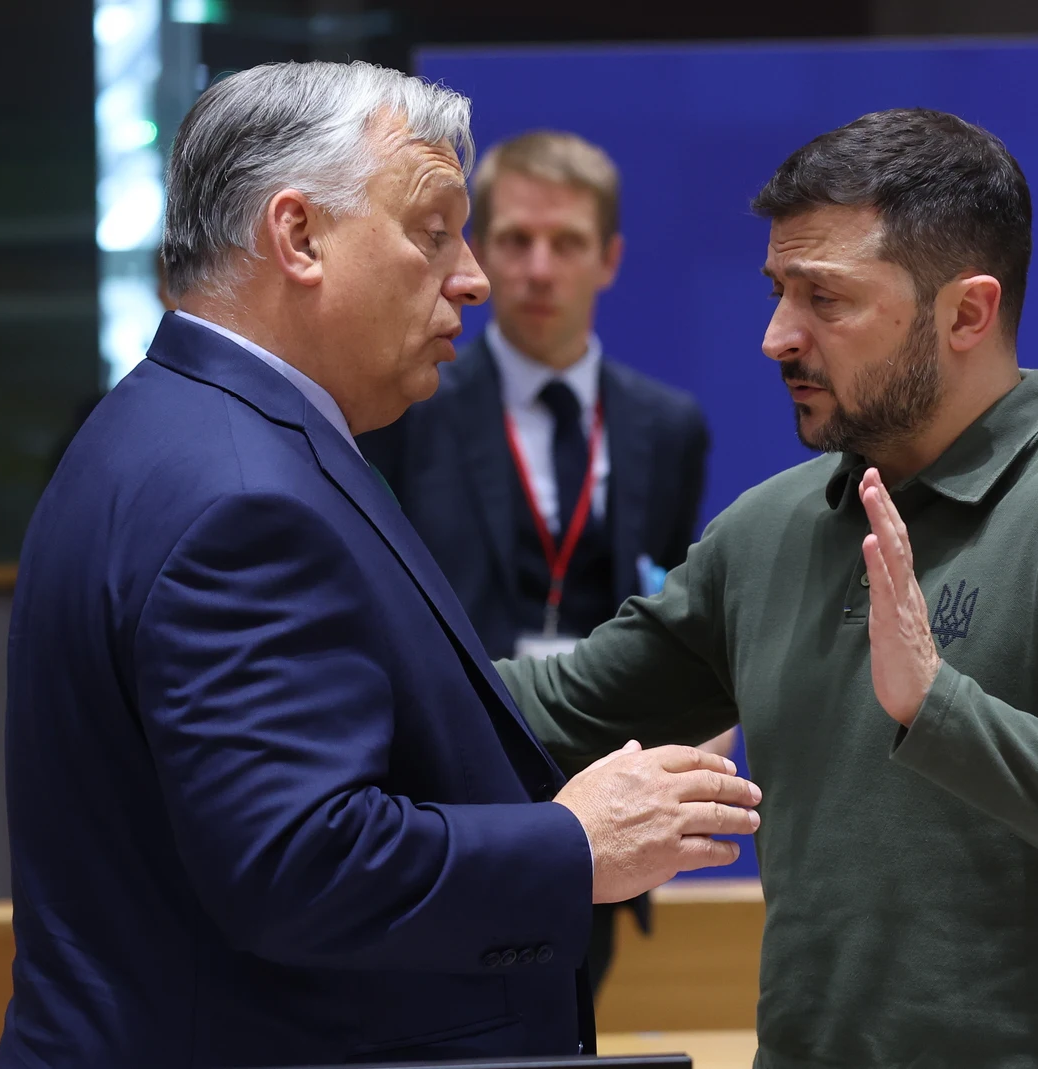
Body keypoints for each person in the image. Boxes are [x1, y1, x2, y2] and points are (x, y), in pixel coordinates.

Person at [0, 61, 758, 1069]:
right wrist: (575, 843)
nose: (472, 278)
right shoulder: (244, 496)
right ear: (299, 236)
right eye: (433, 230)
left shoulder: (176, 425)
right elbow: (298, 862)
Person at [499, 108, 1038, 1068]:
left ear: (967, 313)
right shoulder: (767, 531)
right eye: (779, 291)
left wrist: (940, 707)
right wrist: (350, 651)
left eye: (825, 298)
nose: (777, 336)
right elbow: (546, 713)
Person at [359, 130, 719, 1009]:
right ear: (480, 251)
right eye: (515, 240)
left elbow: (669, 605)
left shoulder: (667, 426)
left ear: (610, 259)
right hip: (449, 794)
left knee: (572, 1020)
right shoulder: (410, 406)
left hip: (601, 785)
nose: (538, 268)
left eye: (567, 242)